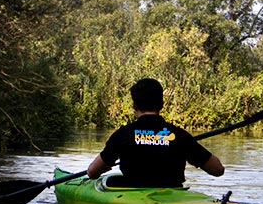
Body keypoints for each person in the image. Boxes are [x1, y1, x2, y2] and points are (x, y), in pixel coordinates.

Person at [86, 78, 224, 187]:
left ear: (134, 105)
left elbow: (92, 172)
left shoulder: (123, 135)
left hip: (134, 197)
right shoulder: (180, 136)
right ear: (162, 104)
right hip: (174, 195)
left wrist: (103, 169)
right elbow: (218, 170)